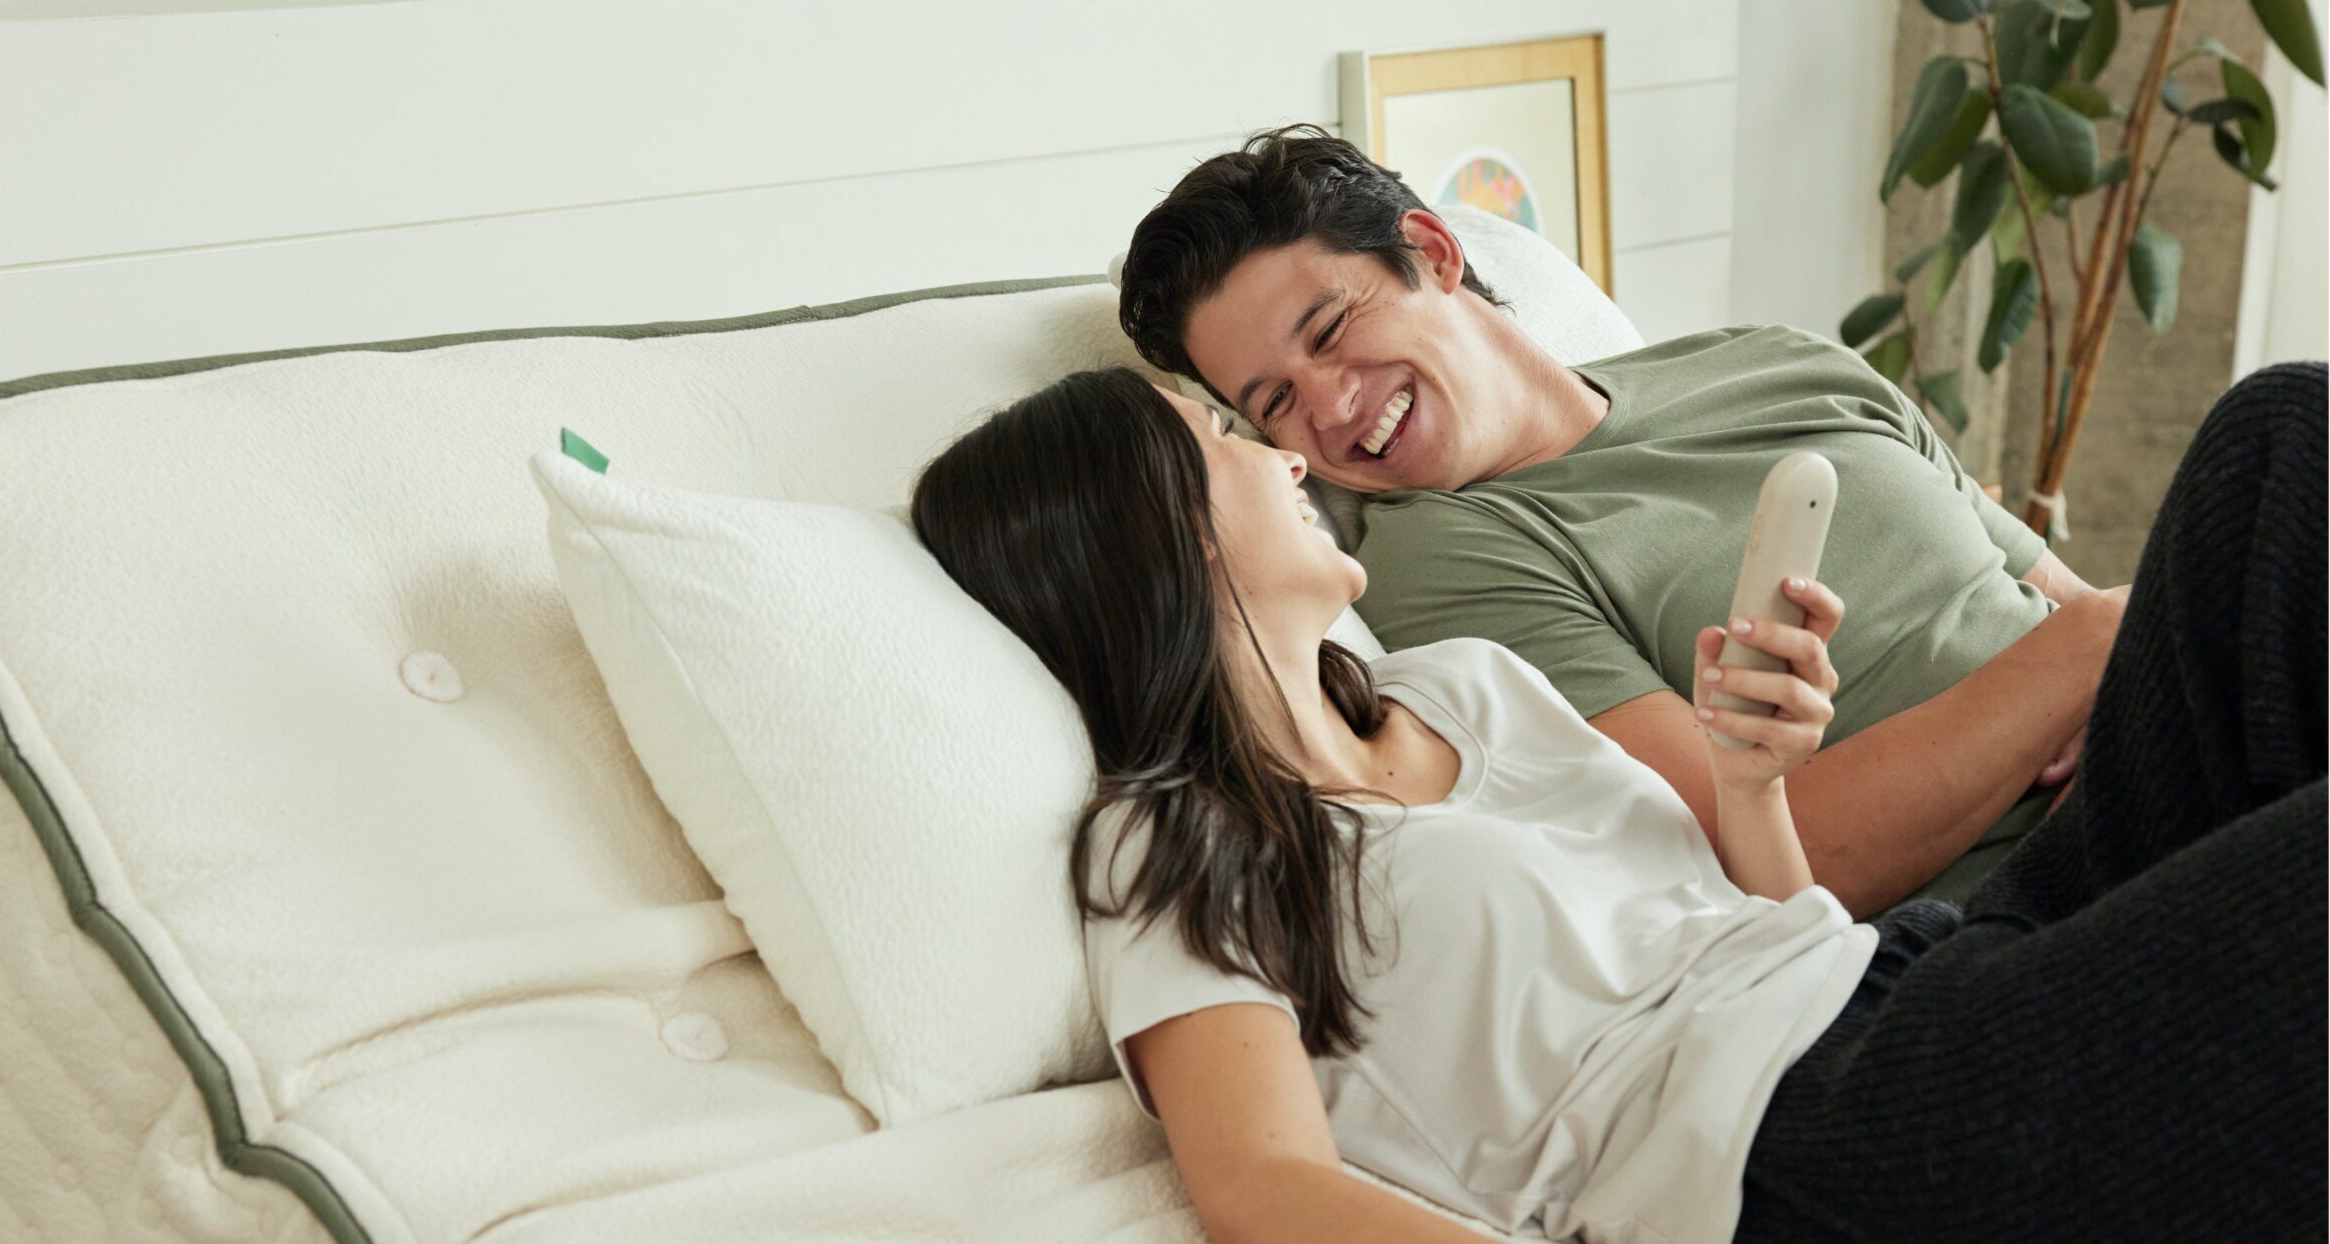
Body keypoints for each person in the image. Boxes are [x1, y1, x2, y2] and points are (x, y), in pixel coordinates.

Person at [908, 363, 2323, 1243]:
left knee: (2282, 450)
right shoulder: (1178, 837)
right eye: (1230, 433)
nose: (1289, 456)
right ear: (1152, 530)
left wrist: (1754, 780)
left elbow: (1772, 917)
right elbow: (1264, 1189)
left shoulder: (1460, 683)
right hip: (1802, 1144)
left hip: (1904, 982)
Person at [1114, 126, 2129, 914]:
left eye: (1331, 332)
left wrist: (2096, 647)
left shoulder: (1772, 357)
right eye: (1276, 401)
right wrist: (2081, 653)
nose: (1329, 409)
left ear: (1429, 251)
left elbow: (2077, 607)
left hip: (2149, 761)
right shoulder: (1444, 551)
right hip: (2022, 899)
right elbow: (1765, 857)